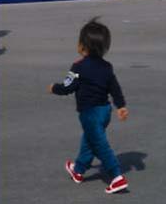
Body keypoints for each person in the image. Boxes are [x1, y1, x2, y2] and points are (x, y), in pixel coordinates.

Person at [51, 17, 129, 195]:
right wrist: (121, 105)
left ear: (82, 46)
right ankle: (78, 170)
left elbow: (67, 87)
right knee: (90, 140)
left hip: (89, 113)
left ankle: (117, 176)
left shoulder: (78, 67)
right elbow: (114, 87)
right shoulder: (107, 67)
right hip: (105, 111)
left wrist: (53, 88)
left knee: (99, 144)